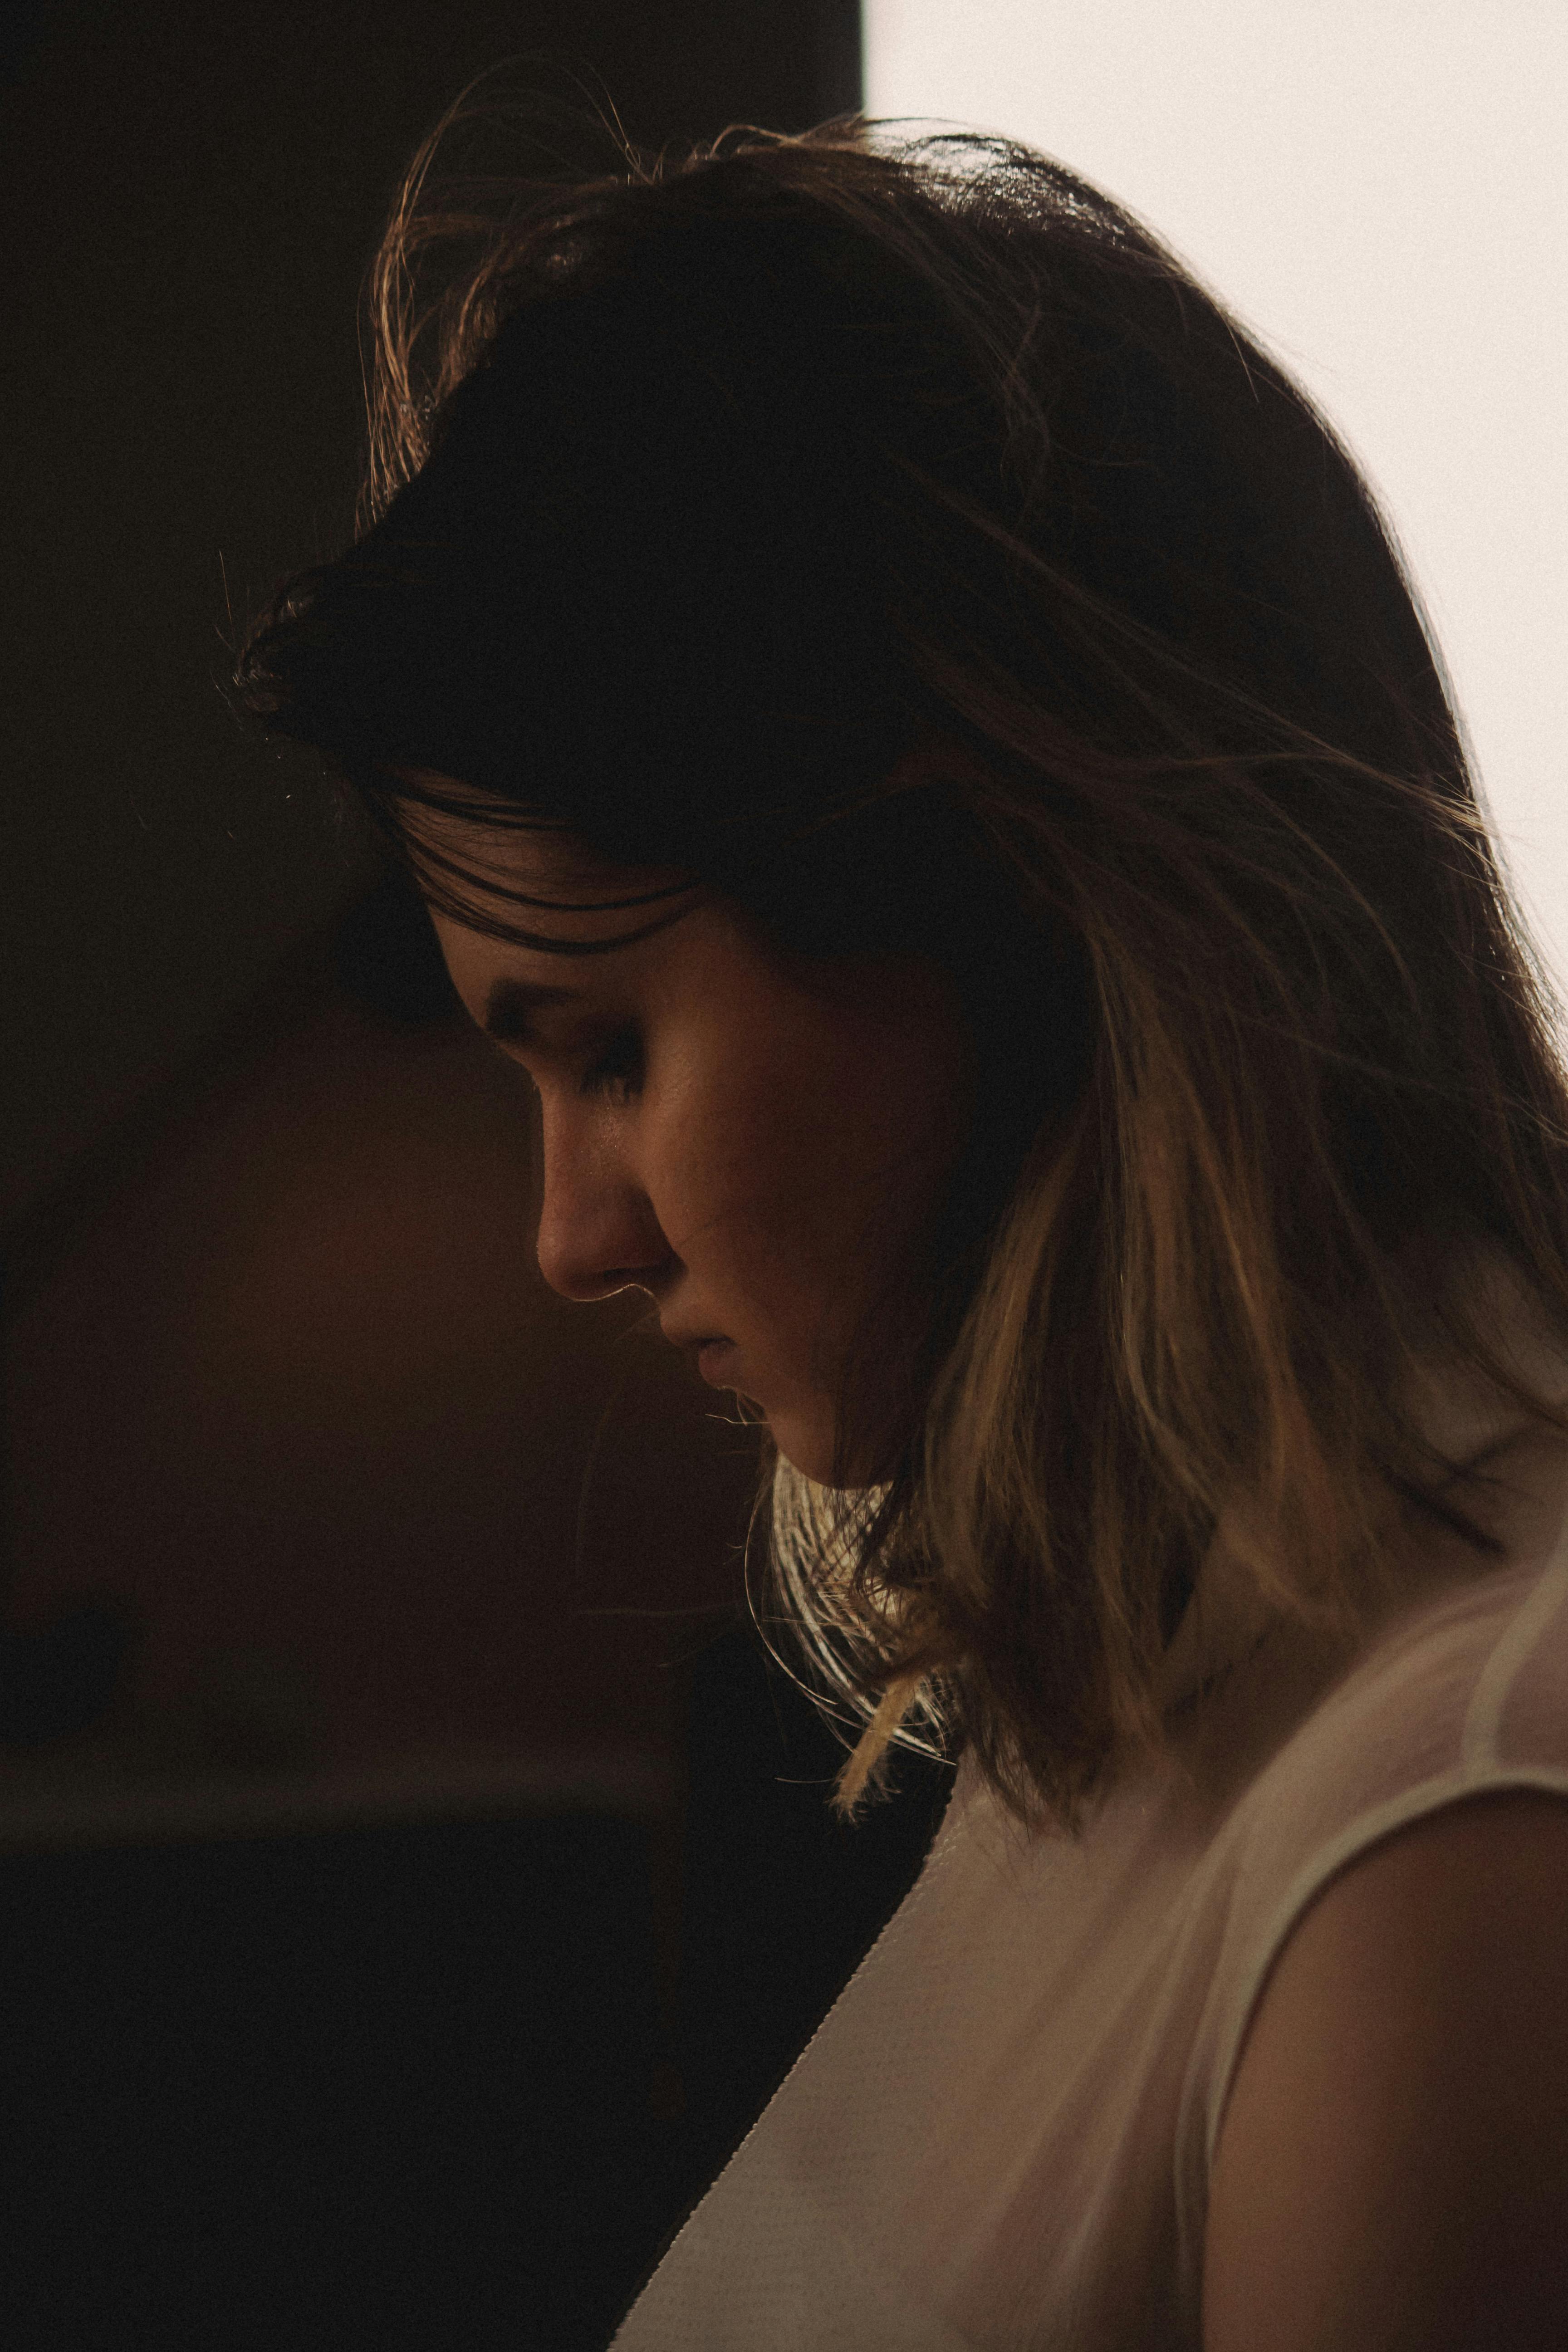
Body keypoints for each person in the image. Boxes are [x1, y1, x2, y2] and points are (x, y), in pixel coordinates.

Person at [235, 88, 1568, 2350]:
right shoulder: (1163, 1690)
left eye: (611, 1051)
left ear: (993, 904)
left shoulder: (1449, 1834)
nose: (573, 1237)